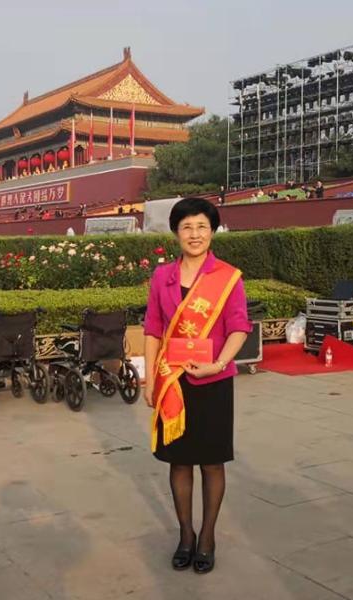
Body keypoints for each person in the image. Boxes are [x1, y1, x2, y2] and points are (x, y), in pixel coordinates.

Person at [143, 197, 251, 575]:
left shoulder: (228, 277)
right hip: (173, 380)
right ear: (176, 232)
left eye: (202, 226)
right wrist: (150, 378)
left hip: (213, 380)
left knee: (212, 461)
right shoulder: (162, 277)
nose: (195, 234)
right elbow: (153, 329)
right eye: (187, 227)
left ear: (213, 231)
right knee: (180, 460)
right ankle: (185, 535)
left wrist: (217, 363)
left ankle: (207, 537)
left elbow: (239, 327)